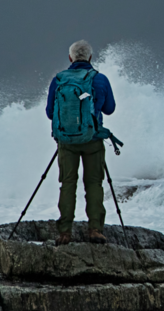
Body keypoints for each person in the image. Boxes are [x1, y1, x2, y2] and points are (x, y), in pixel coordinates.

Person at [45, 40, 116, 245]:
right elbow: (110, 109)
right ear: (90, 58)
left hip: (66, 141)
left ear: (71, 58)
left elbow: (50, 113)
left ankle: (65, 232)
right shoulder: (100, 79)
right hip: (93, 140)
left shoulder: (58, 80)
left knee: (67, 184)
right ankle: (95, 230)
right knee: (94, 183)